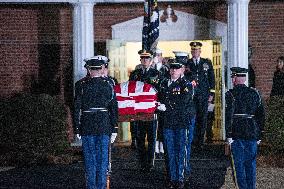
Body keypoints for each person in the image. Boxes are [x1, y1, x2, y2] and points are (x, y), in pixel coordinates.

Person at [73, 56, 118, 189]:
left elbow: (76, 109)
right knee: (103, 160)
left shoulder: (81, 86)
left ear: (89, 69)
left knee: (90, 160)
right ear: (101, 69)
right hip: (104, 126)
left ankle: (91, 186)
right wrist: (114, 128)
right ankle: (102, 186)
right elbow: (114, 108)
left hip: (87, 126)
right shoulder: (109, 85)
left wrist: (77, 128)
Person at [225, 67, 265, 189]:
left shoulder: (230, 94)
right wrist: (260, 134)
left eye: (233, 77)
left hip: (237, 133)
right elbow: (261, 115)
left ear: (235, 79)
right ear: (245, 78)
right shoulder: (255, 93)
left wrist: (229, 134)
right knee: (251, 164)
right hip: (252, 133)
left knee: (238, 165)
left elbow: (229, 116)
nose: (232, 79)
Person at [158, 61, 194, 189]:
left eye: (177, 69)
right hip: (167, 122)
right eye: (172, 69)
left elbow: (183, 102)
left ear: (181, 70)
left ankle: (180, 178)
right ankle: (172, 177)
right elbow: (158, 98)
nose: (174, 71)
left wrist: (166, 106)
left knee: (180, 151)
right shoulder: (163, 83)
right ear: (169, 70)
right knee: (169, 151)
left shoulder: (186, 84)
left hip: (181, 122)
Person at [129, 50, 160, 172]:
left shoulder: (156, 73)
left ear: (151, 60)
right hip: (139, 112)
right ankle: (142, 163)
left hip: (151, 111)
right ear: (140, 60)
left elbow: (158, 90)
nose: (145, 60)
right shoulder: (135, 74)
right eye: (143, 58)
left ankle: (150, 163)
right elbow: (130, 90)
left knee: (152, 138)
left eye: (147, 59)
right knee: (140, 138)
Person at [187, 41, 215, 150]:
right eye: (193, 50)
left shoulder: (206, 63)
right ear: (191, 51)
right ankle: (193, 141)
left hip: (204, 95)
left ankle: (201, 141)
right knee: (192, 117)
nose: (195, 52)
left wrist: (211, 93)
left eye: (197, 50)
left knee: (202, 118)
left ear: (200, 51)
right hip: (192, 96)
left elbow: (211, 78)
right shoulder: (187, 63)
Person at [173, 51, 196, 178]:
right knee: (174, 144)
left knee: (185, 143)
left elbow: (191, 96)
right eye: (177, 64)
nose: (179, 67)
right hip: (173, 116)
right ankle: (176, 170)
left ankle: (185, 168)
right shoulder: (170, 76)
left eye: (181, 65)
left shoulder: (190, 77)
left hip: (187, 114)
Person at [152, 48, 169, 158]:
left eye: (159, 55)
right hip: (152, 99)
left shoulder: (166, 69)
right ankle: (154, 144)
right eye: (155, 55)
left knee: (162, 123)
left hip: (162, 99)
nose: (157, 57)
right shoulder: (151, 69)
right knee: (154, 123)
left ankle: (161, 144)